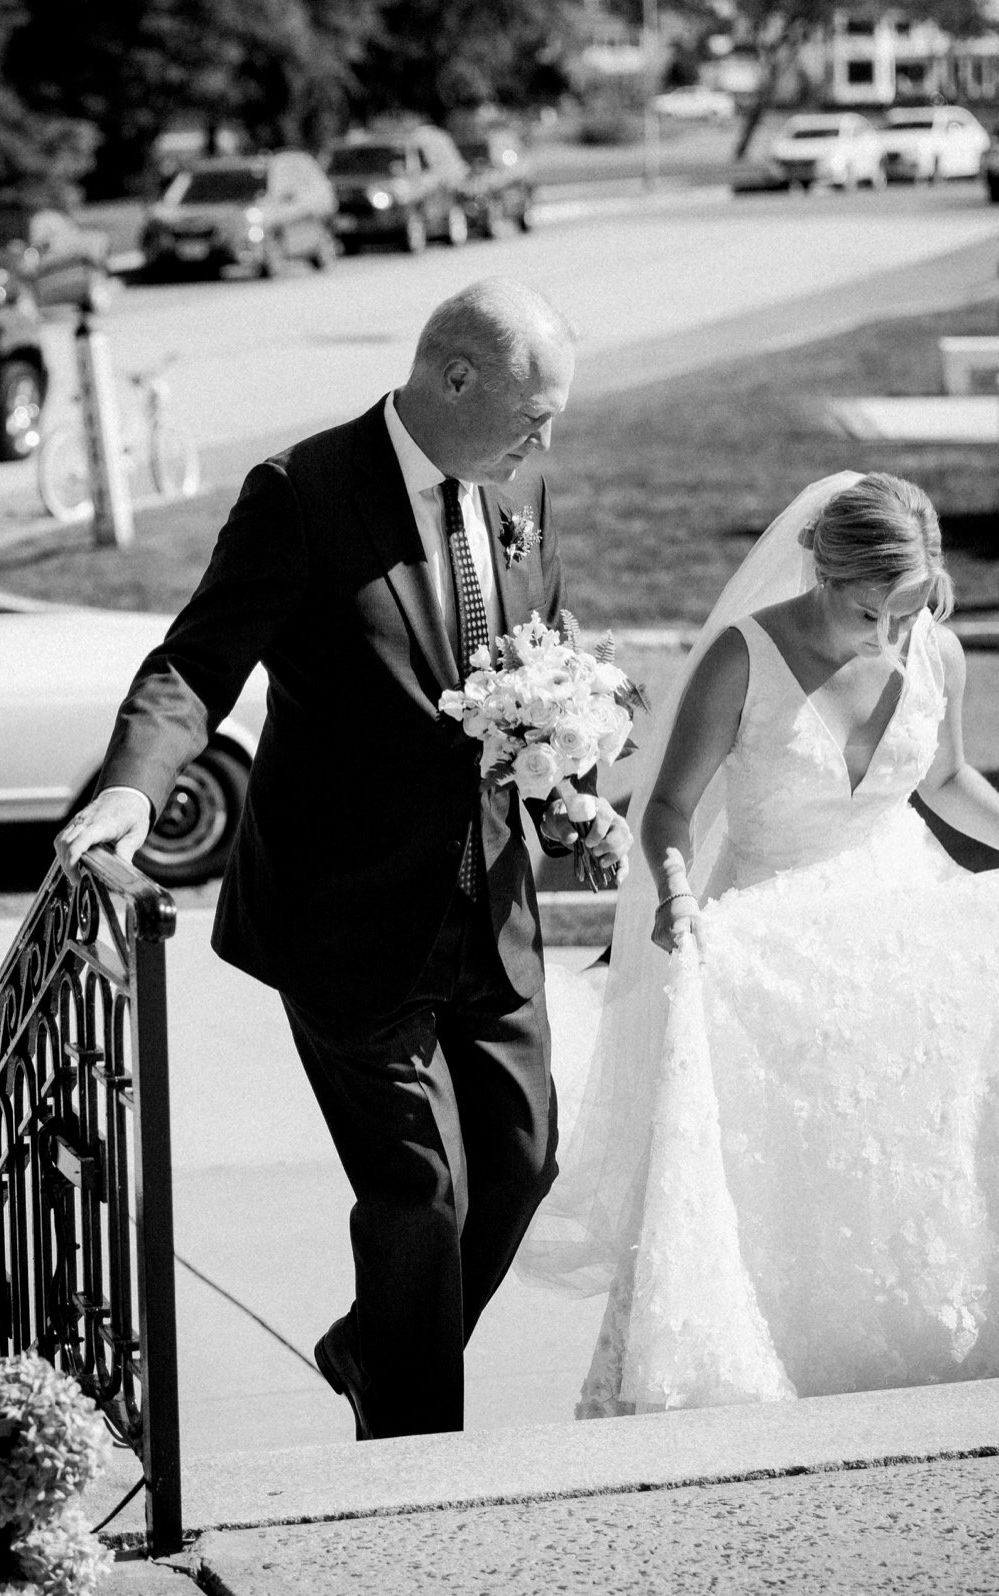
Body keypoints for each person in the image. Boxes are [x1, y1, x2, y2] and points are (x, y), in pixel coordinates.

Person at [517, 472, 999, 1417]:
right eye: (868, 608)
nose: (889, 633)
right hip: (776, 939)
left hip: (898, 920)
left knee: (923, 1150)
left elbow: (948, 779)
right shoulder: (742, 657)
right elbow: (669, 805)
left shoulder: (937, 651)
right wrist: (674, 888)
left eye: (910, 607)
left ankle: (922, 1350)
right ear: (822, 574)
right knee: (788, 1175)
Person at [55, 280, 629, 1440]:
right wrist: (129, 786)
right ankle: (413, 1465)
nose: (547, 438)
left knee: (519, 1168)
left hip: (493, 907)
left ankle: (375, 1347)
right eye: (536, 412)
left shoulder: (517, 490)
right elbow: (198, 662)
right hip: (348, 915)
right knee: (421, 1195)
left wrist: (571, 794)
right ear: (454, 378)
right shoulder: (304, 494)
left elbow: (541, 661)